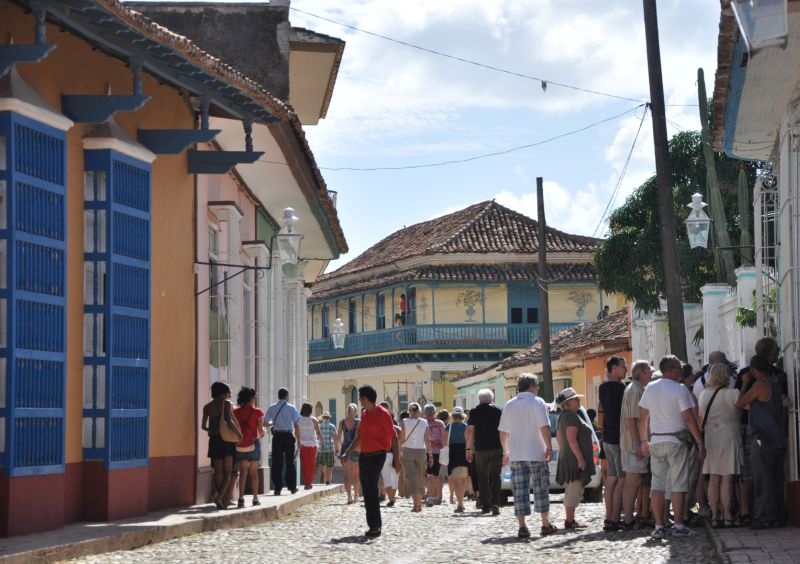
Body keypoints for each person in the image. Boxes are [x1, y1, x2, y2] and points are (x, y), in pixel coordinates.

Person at [639, 355, 705, 539]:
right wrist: (699, 442)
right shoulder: (680, 389)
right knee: (678, 484)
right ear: (670, 370)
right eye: (678, 368)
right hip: (676, 441)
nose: (681, 371)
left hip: (657, 441)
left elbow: (643, 417)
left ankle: (659, 526)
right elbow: (688, 418)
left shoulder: (650, 388)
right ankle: (678, 524)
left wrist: (644, 441)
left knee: (657, 485)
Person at [498, 373, 557, 539]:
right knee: (541, 488)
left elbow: (503, 432)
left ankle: (522, 526)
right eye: (537, 386)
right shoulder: (537, 402)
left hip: (516, 454)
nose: (538, 389)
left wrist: (506, 451)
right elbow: (544, 427)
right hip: (536, 453)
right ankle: (545, 524)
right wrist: (549, 447)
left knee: (519, 490)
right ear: (532, 386)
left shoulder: (509, 404)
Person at [340, 385, 401, 538]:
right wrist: (347, 452)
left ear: (366, 398)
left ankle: (376, 525)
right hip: (364, 456)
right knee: (366, 489)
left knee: (372, 487)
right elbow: (359, 436)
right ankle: (372, 525)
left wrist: (398, 460)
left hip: (379, 454)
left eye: (360, 398)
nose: (359, 401)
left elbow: (393, 437)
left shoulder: (383, 414)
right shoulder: (365, 414)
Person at [737, 355, 787, 529]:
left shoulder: (760, 384)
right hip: (778, 436)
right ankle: (778, 515)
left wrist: (744, 383)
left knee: (763, 478)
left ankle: (765, 516)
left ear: (753, 370)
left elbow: (740, 403)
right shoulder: (776, 383)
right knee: (776, 477)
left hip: (763, 438)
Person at [699, 363, 742, 528]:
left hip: (711, 437)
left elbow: (700, 417)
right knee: (727, 478)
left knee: (713, 478)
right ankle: (727, 515)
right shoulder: (734, 393)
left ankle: (715, 516)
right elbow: (745, 407)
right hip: (729, 436)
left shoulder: (703, 395)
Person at [555, 388, 595, 529]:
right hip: (574, 459)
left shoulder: (563, 416)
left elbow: (560, 438)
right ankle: (570, 521)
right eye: (576, 399)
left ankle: (570, 519)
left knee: (571, 488)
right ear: (568, 402)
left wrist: (565, 453)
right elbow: (571, 439)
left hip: (568, 457)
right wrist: (580, 458)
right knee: (574, 488)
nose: (579, 400)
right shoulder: (571, 417)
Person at [621, 360, 652, 530]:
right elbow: (632, 419)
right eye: (648, 370)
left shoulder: (638, 389)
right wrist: (638, 444)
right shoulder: (635, 390)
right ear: (641, 372)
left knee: (634, 480)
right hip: (633, 442)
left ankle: (630, 518)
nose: (651, 373)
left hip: (635, 441)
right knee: (632, 481)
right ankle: (627, 520)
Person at [201, 381, 242, 509]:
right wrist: (239, 434)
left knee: (217, 471)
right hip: (226, 442)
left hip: (214, 441)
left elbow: (203, 426)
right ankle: (219, 496)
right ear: (223, 392)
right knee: (228, 472)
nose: (229, 393)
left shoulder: (207, 407)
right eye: (228, 390)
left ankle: (218, 497)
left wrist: (213, 431)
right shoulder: (227, 404)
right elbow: (229, 421)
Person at [599, 355, 627, 531]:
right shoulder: (620, 388)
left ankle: (609, 516)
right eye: (623, 366)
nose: (626, 370)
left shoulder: (602, 388)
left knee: (611, 479)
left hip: (607, 437)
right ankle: (615, 517)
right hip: (618, 438)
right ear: (614, 368)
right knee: (621, 479)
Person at [466, 388, 503, 515]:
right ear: (491, 398)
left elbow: (470, 431)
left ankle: (485, 505)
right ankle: (495, 504)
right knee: (495, 476)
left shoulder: (475, 412)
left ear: (479, 399)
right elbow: (503, 430)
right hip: (497, 447)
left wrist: (468, 448)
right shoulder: (498, 410)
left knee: (482, 477)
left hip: (481, 449)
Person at [265, 388, 301, 496]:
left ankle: (277, 488)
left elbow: (265, 423)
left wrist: (273, 423)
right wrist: (299, 440)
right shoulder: (291, 407)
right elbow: (296, 424)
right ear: (286, 396)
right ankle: (292, 487)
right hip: (288, 436)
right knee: (290, 461)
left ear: (278, 396)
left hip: (277, 436)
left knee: (277, 462)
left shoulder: (272, 407)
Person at [233, 386, 265, 508]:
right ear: (251, 398)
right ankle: (255, 499)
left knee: (243, 472)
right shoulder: (258, 412)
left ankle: (241, 498)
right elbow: (260, 432)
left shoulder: (235, 412)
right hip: (253, 445)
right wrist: (262, 433)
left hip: (239, 445)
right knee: (254, 472)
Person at [400, 403, 432, 512]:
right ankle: (419, 504)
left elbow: (402, 438)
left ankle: (416, 504)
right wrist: (430, 454)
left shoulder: (404, 422)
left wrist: (400, 452)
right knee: (420, 477)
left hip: (408, 450)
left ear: (409, 410)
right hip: (421, 451)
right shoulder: (424, 422)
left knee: (411, 477)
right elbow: (427, 440)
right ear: (419, 411)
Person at [445, 406, 469, 513]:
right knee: (463, 479)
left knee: (455, 480)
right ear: (463, 415)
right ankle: (461, 503)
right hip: (463, 452)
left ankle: (459, 502)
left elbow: (443, 441)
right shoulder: (466, 427)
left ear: (453, 416)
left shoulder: (449, 427)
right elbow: (469, 441)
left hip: (453, 453)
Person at [337, 403, 361, 504]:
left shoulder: (342, 422)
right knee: (356, 475)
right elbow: (359, 436)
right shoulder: (358, 422)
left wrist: (341, 447)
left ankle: (348, 497)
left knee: (347, 475)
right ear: (355, 412)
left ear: (347, 411)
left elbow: (338, 437)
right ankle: (356, 495)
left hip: (345, 450)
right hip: (356, 449)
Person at [378, 401, 401, 507]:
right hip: (395, 454)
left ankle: (391, 498)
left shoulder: (379, 427)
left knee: (386, 477)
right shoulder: (397, 429)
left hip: (383, 454)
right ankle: (393, 496)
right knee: (395, 476)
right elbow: (400, 441)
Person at [424, 403, 446, 506]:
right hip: (438, 451)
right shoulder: (440, 423)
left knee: (429, 475)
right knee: (437, 475)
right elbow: (444, 438)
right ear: (434, 412)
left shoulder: (423, 423)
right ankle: (438, 496)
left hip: (426, 451)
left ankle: (430, 496)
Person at [298, 403, 324, 490]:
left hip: (302, 444)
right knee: (311, 464)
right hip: (312, 444)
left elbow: (296, 432)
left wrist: (297, 441)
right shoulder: (313, 420)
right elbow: (318, 432)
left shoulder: (298, 419)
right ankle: (309, 482)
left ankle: (306, 483)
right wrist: (323, 442)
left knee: (304, 464)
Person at [316, 411, 338, 485]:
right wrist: (337, 448)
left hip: (320, 448)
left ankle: (322, 473)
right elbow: (335, 438)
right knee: (329, 465)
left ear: (323, 417)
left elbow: (317, 436)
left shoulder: (319, 426)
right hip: (329, 448)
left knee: (320, 463)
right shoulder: (332, 426)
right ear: (329, 418)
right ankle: (328, 480)